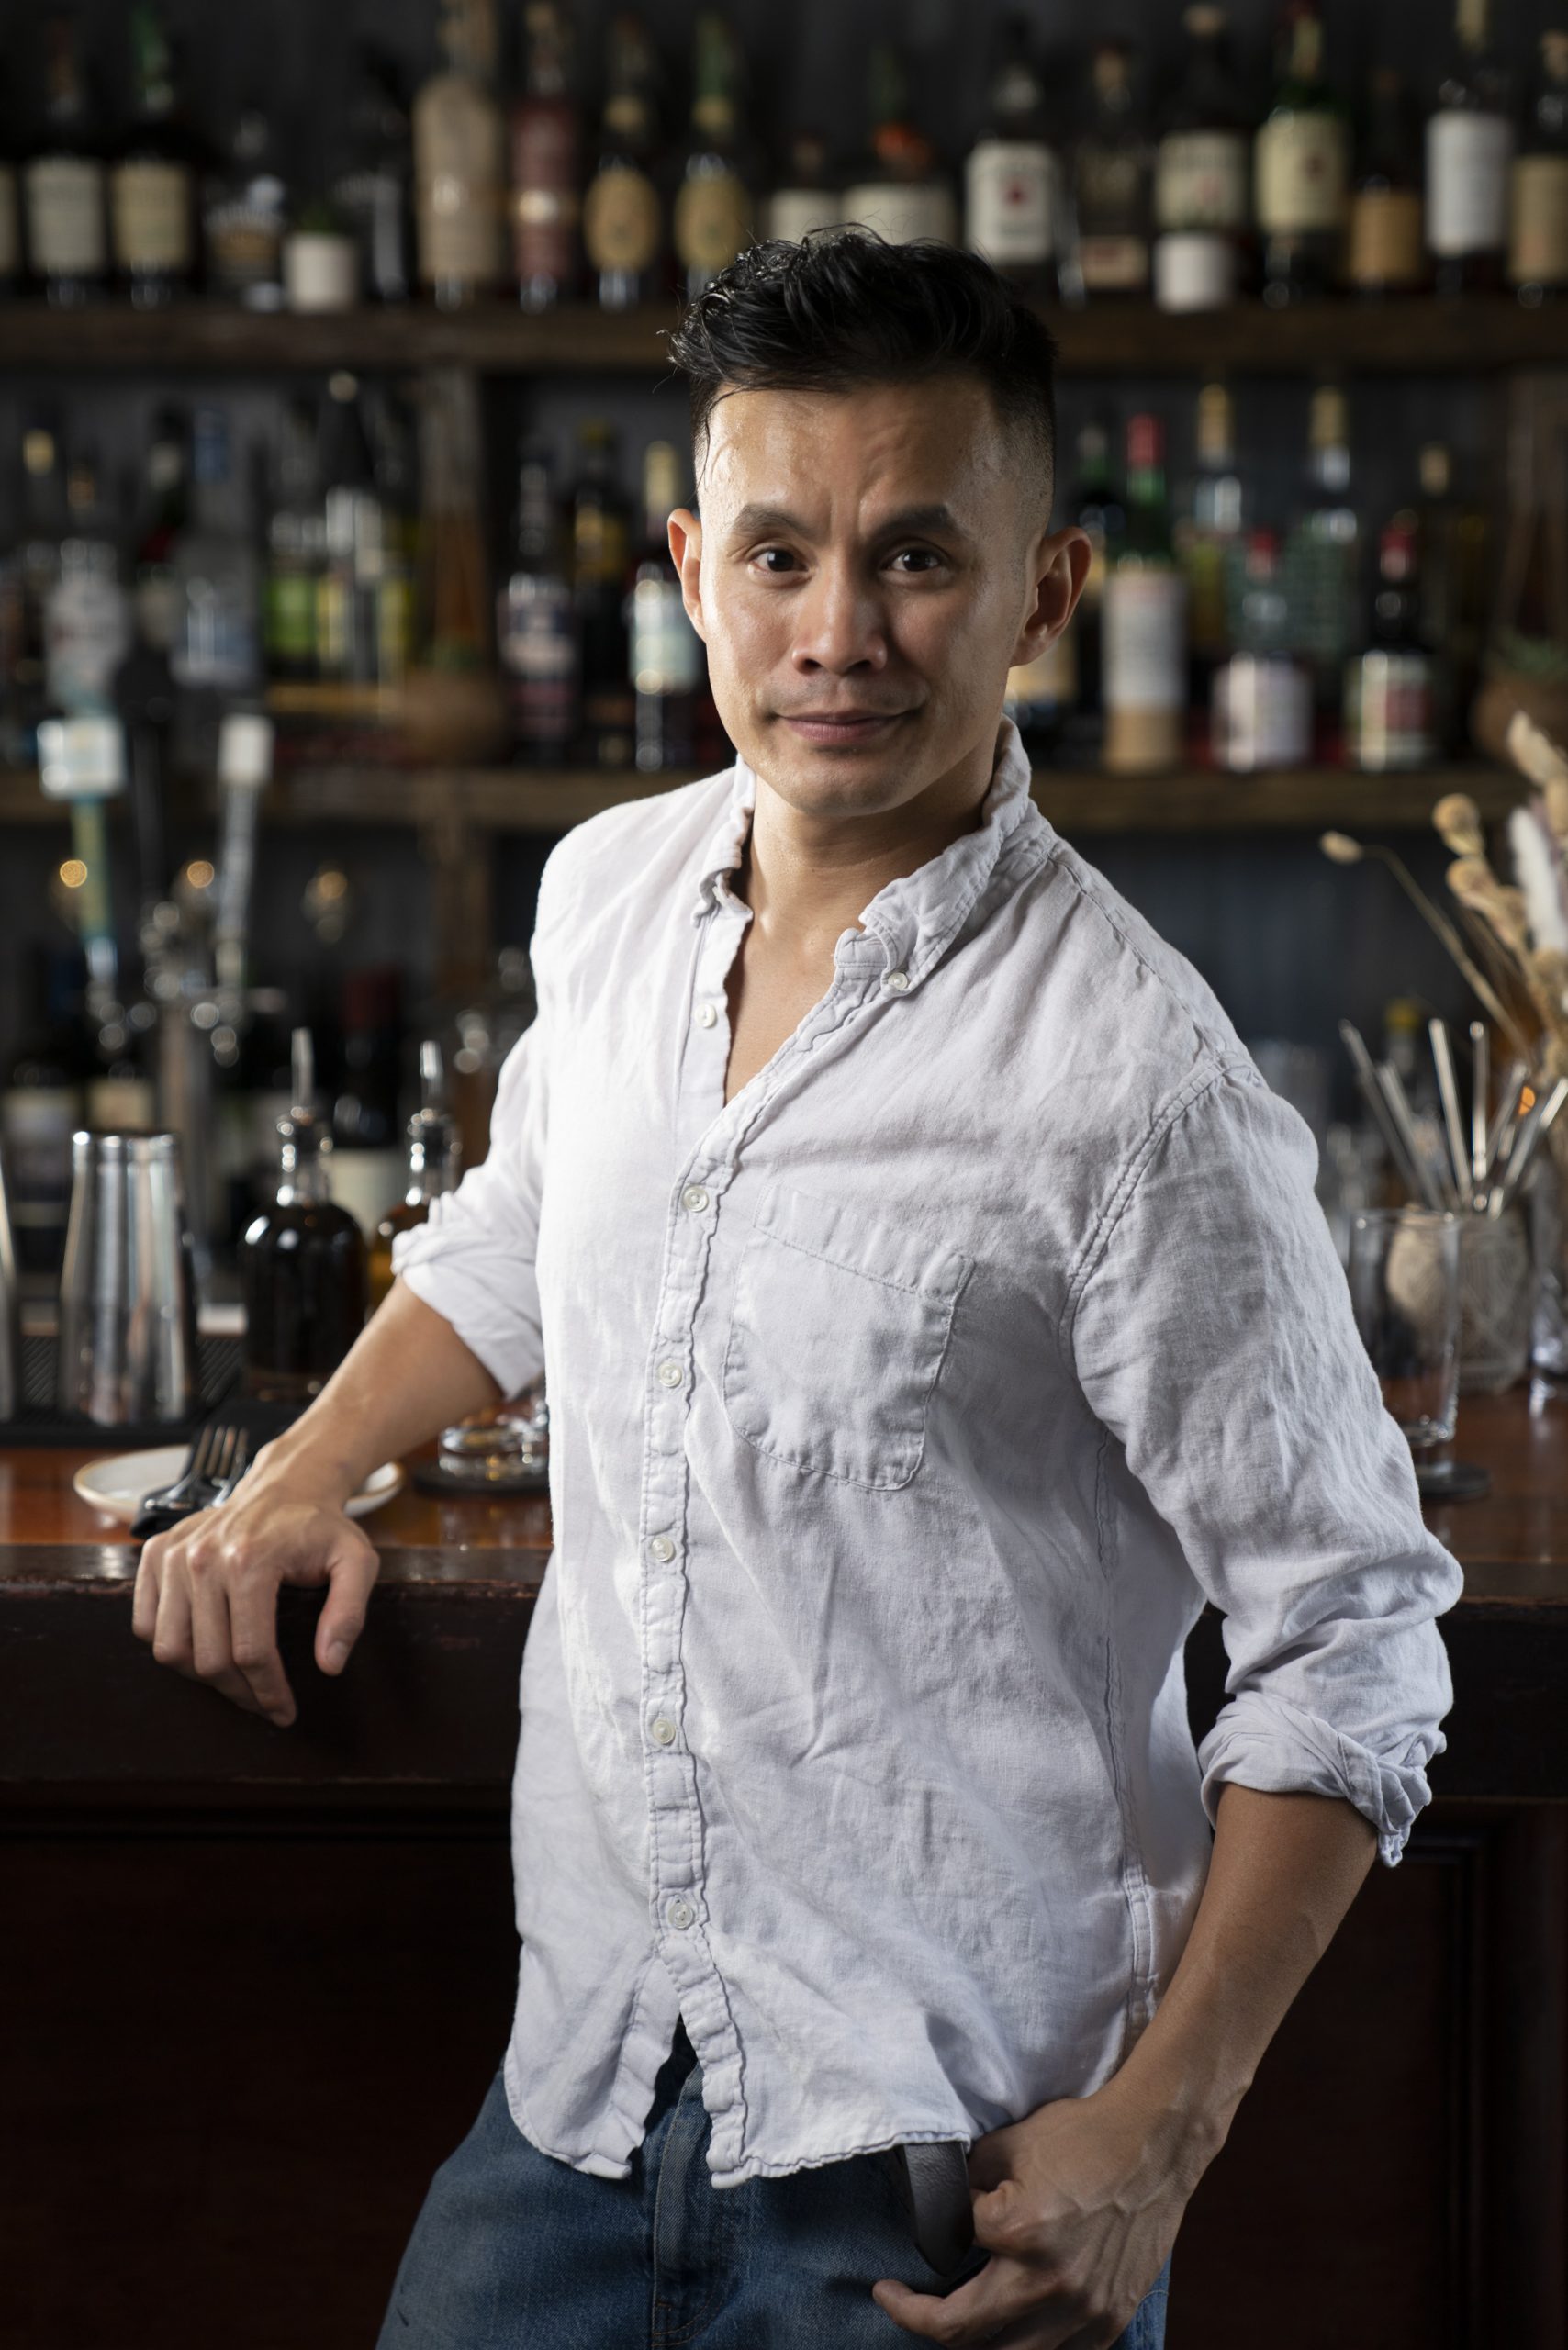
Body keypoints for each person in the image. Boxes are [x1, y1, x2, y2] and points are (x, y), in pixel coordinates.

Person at [133, 229, 1462, 2349]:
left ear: (1044, 586)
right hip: (567, 2107)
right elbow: (513, 1232)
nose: (837, 631)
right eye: (778, 555)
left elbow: (1353, 1641)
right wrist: (302, 1471)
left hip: (925, 2189)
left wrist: (1162, 2132)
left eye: (915, 556)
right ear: (687, 566)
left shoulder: (1134, 1080)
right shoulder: (611, 889)